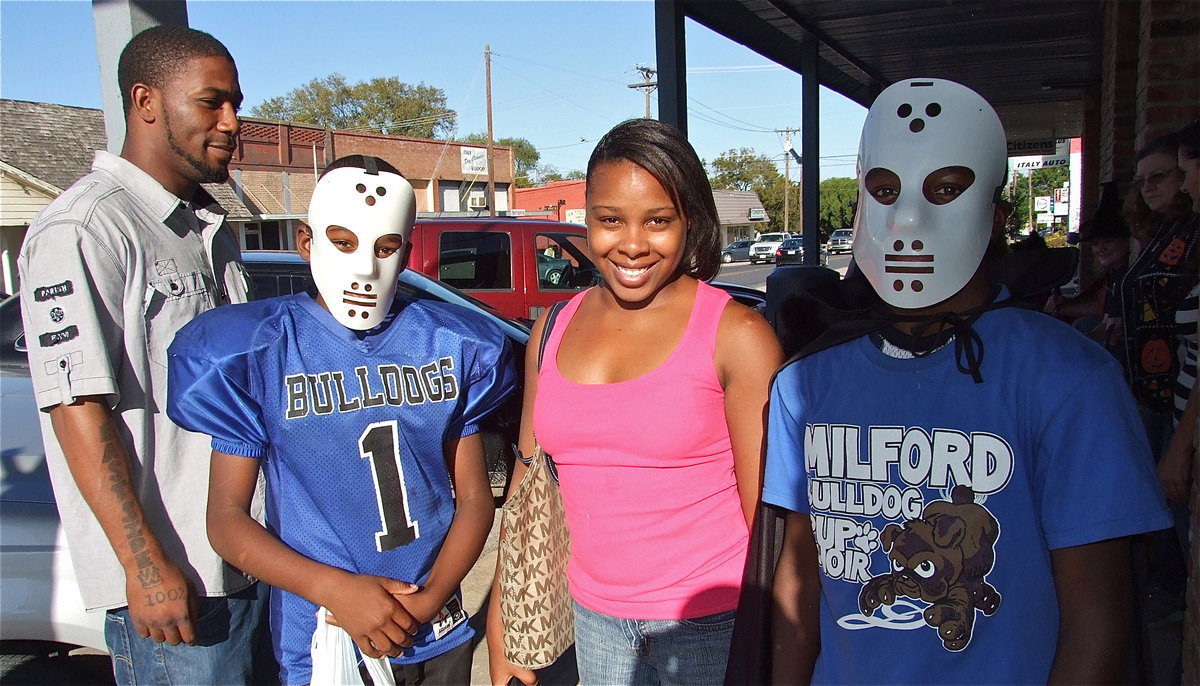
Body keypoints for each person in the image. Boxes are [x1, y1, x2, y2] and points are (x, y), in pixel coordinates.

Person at [764, 78, 1172, 684]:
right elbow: (799, 574)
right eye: (883, 190)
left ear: (997, 212)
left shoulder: (1070, 378)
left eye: (947, 189)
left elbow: (1098, 616)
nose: (909, 216)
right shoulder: (808, 380)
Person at [166, 155, 515, 685]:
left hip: (436, 628)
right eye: (344, 242)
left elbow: (473, 500)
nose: (365, 267)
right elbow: (226, 520)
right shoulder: (263, 350)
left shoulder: (451, 343)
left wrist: (430, 600)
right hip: (325, 633)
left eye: (385, 247)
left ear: (406, 250)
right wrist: (334, 589)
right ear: (307, 242)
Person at [487, 118, 783, 686]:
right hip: (591, 624)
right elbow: (528, 495)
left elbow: (772, 526)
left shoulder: (737, 335)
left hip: (712, 633)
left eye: (658, 221)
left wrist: (776, 654)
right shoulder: (552, 328)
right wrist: (506, 634)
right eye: (610, 220)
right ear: (586, 221)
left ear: (689, 221)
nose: (631, 243)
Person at [16, 25, 264, 685]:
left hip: (249, 565)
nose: (232, 122)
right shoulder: (85, 229)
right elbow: (78, 408)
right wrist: (144, 565)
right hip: (179, 587)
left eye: (235, 102)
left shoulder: (208, 230)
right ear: (145, 100)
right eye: (212, 102)